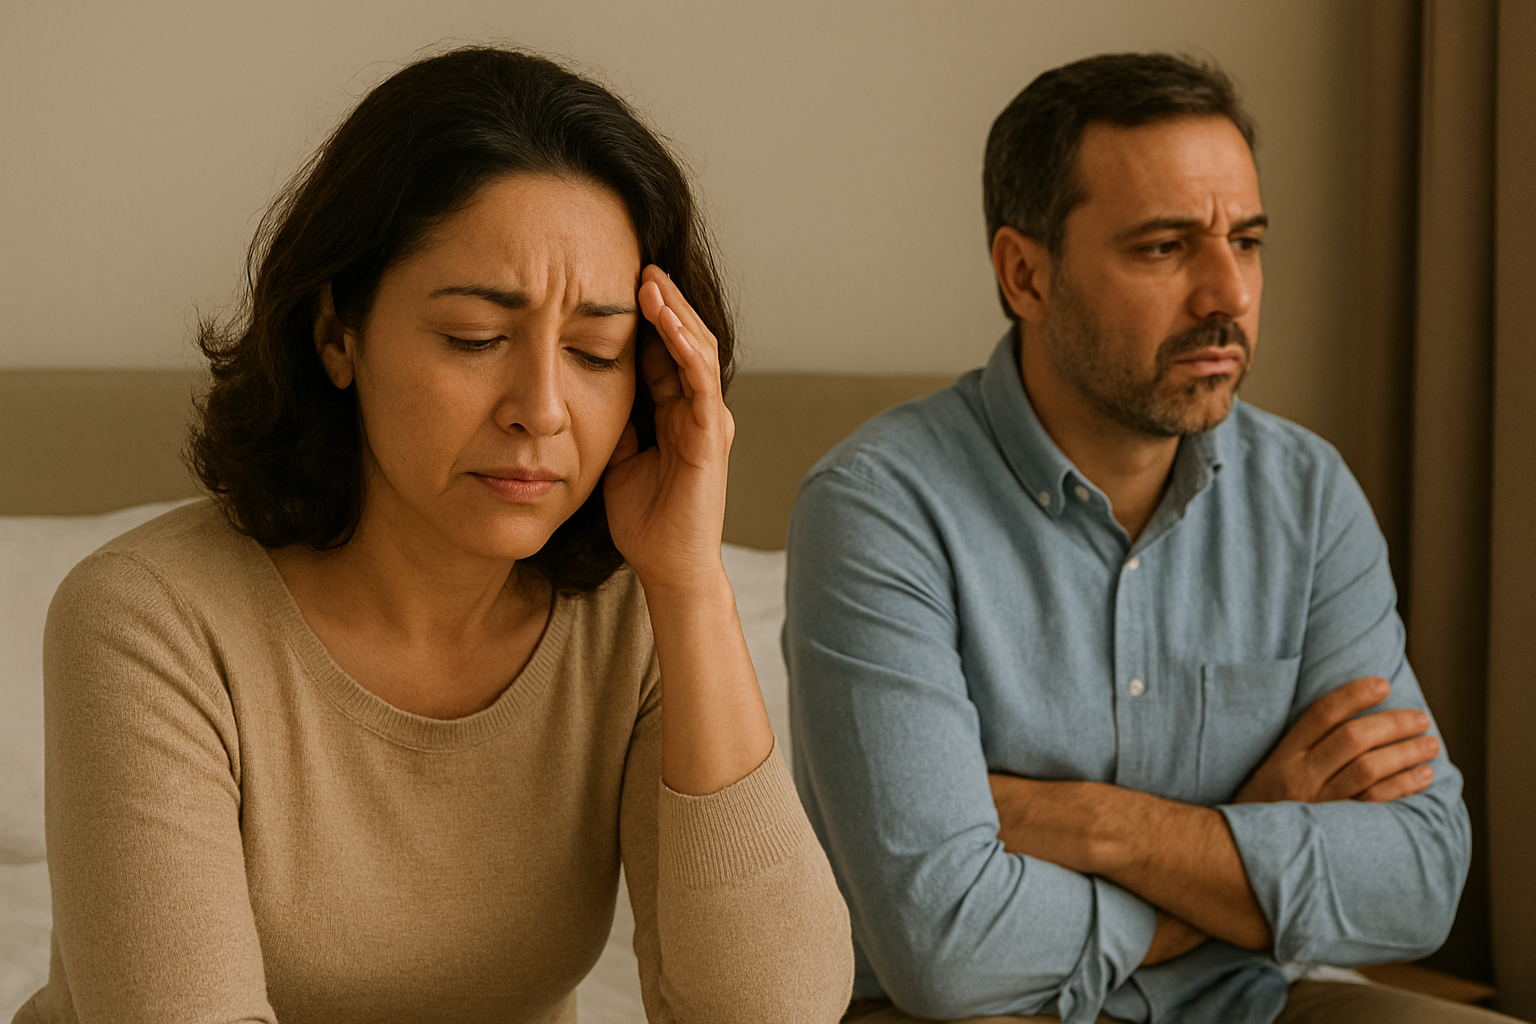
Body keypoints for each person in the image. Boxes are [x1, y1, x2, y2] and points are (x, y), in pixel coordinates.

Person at [21, 47, 852, 1024]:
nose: (542, 409)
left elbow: (774, 1010)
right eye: (473, 338)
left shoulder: (633, 618)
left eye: (597, 351)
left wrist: (688, 582)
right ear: (338, 333)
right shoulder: (150, 622)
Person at [784, 53, 1500, 1024]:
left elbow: (1419, 877)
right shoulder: (877, 508)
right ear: (1024, 273)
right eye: (1165, 247)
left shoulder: (1307, 492)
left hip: (1250, 1000)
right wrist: (1248, 837)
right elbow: (945, 948)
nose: (1227, 294)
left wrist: (1104, 828)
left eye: (1246, 241)